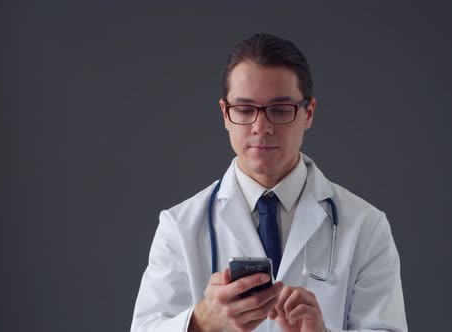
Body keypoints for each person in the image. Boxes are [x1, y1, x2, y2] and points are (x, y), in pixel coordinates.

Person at [130, 33, 407, 332]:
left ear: (308, 113)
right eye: (245, 110)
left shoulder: (366, 226)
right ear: (225, 113)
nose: (262, 127)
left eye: (279, 110)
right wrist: (201, 322)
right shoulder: (179, 226)